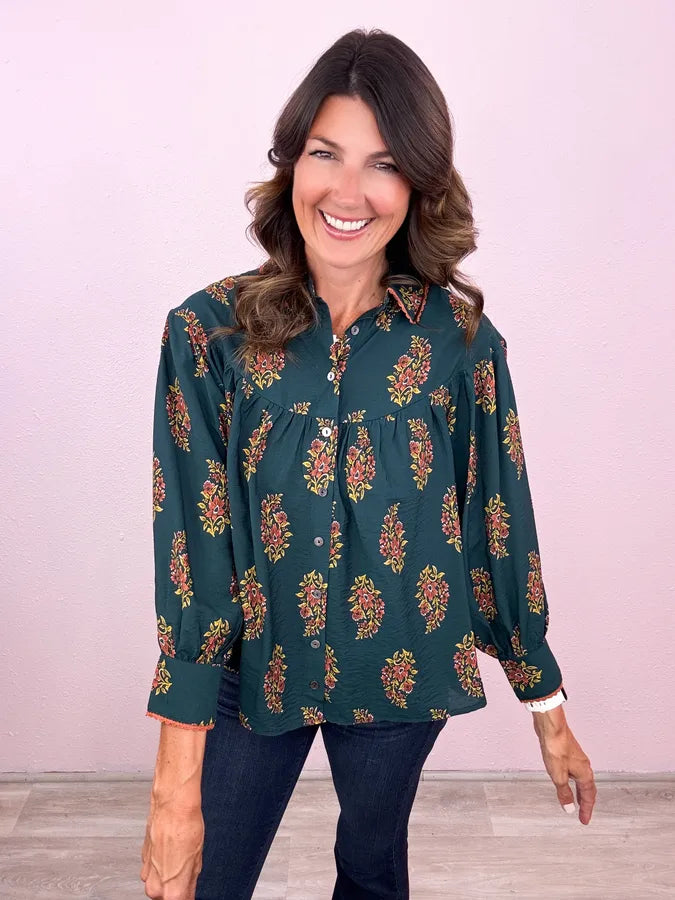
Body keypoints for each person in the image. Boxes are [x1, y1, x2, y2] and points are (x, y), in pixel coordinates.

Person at [140, 27, 596, 900]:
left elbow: (497, 525)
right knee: (203, 884)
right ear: (291, 163)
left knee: (372, 873)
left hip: (404, 668)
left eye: (382, 164)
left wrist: (544, 705)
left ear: (418, 184)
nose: (347, 192)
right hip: (244, 672)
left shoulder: (462, 345)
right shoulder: (207, 335)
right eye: (325, 153)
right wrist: (172, 794)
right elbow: (194, 553)